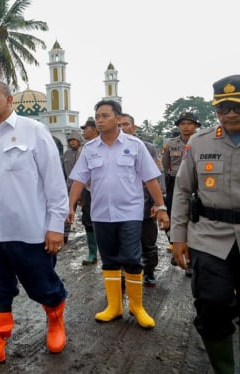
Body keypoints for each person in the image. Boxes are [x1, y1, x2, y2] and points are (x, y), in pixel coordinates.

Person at [0, 81, 69, 371]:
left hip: (29, 230)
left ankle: (55, 319)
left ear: (10, 100)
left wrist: (55, 225)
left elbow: (55, 183)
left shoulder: (34, 132)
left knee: (42, 285)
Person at [67, 100, 169, 331]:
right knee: (110, 260)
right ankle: (114, 306)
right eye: (97, 116)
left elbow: (150, 178)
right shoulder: (89, 149)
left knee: (132, 258)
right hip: (101, 214)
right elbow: (78, 181)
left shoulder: (135, 145)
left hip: (130, 213)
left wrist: (161, 207)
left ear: (117, 117)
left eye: (104, 116)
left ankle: (137, 306)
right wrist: (70, 206)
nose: (99, 120)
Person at [171, 74, 240, 374]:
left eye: (236, 106)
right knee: (212, 306)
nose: (231, 113)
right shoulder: (200, 143)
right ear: (216, 111)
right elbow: (183, 191)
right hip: (211, 237)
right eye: (223, 108)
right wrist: (178, 237)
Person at [118, 113, 164, 287]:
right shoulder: (109, 146)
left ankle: (150, 271)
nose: (122, 128)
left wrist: (158, 203)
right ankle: (123, 274)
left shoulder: (148, 147)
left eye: (126, 124)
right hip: (122, 206)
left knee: (148, 242)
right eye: (119, 125)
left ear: (134, 127)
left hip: (145, 203)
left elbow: (157, 176)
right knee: (122, 242)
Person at [162, 111, 201, 254]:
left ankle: (193, 243)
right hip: (175, 181)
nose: (186, 127)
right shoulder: (171, 144)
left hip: (197, 181)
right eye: (182, 124)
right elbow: (165, 165)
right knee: (173, 210)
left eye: (190, 124)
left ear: (196, 126)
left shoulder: (201, 141)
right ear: (178, 126)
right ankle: (174, 241)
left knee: (195, 211)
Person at [78, 118, 99, 265]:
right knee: (87, 220)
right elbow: (79, 173)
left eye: (87, 128)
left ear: (95, 129)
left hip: (105, 190)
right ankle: (92, 252)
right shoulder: (84, 148)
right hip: (88, 189)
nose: (84, 131)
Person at [62, 130, 83, 244]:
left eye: (74, 140)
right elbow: (62, 171)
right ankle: (64, 236)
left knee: (89, 216)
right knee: (67, 212)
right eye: (70, 141)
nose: (72, 143)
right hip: (69, 187)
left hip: (85, 189)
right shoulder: (66, 154)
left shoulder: (84, 152)